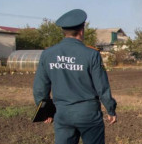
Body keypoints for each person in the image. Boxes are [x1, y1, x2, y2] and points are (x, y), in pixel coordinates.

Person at [33, 9, 117, 144]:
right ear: (82, 30)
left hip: (62, 114)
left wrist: (45, 111)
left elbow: (40, 88)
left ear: (63, 31)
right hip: (88, 115)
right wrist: (111, 109)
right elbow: (102, 87)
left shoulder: (48, 54)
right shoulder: (91, 54)